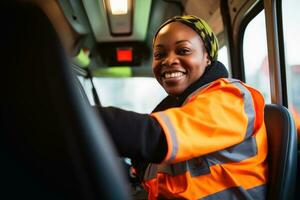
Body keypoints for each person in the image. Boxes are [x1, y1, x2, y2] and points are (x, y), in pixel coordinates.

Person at [95, 15, 268, 200]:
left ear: (207, 56)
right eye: (159, 54)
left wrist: (78, 117)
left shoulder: (230, 99)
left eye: (183, 50)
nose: (169, 60)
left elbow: (154, 137)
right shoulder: (181, 104)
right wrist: (130, 172)